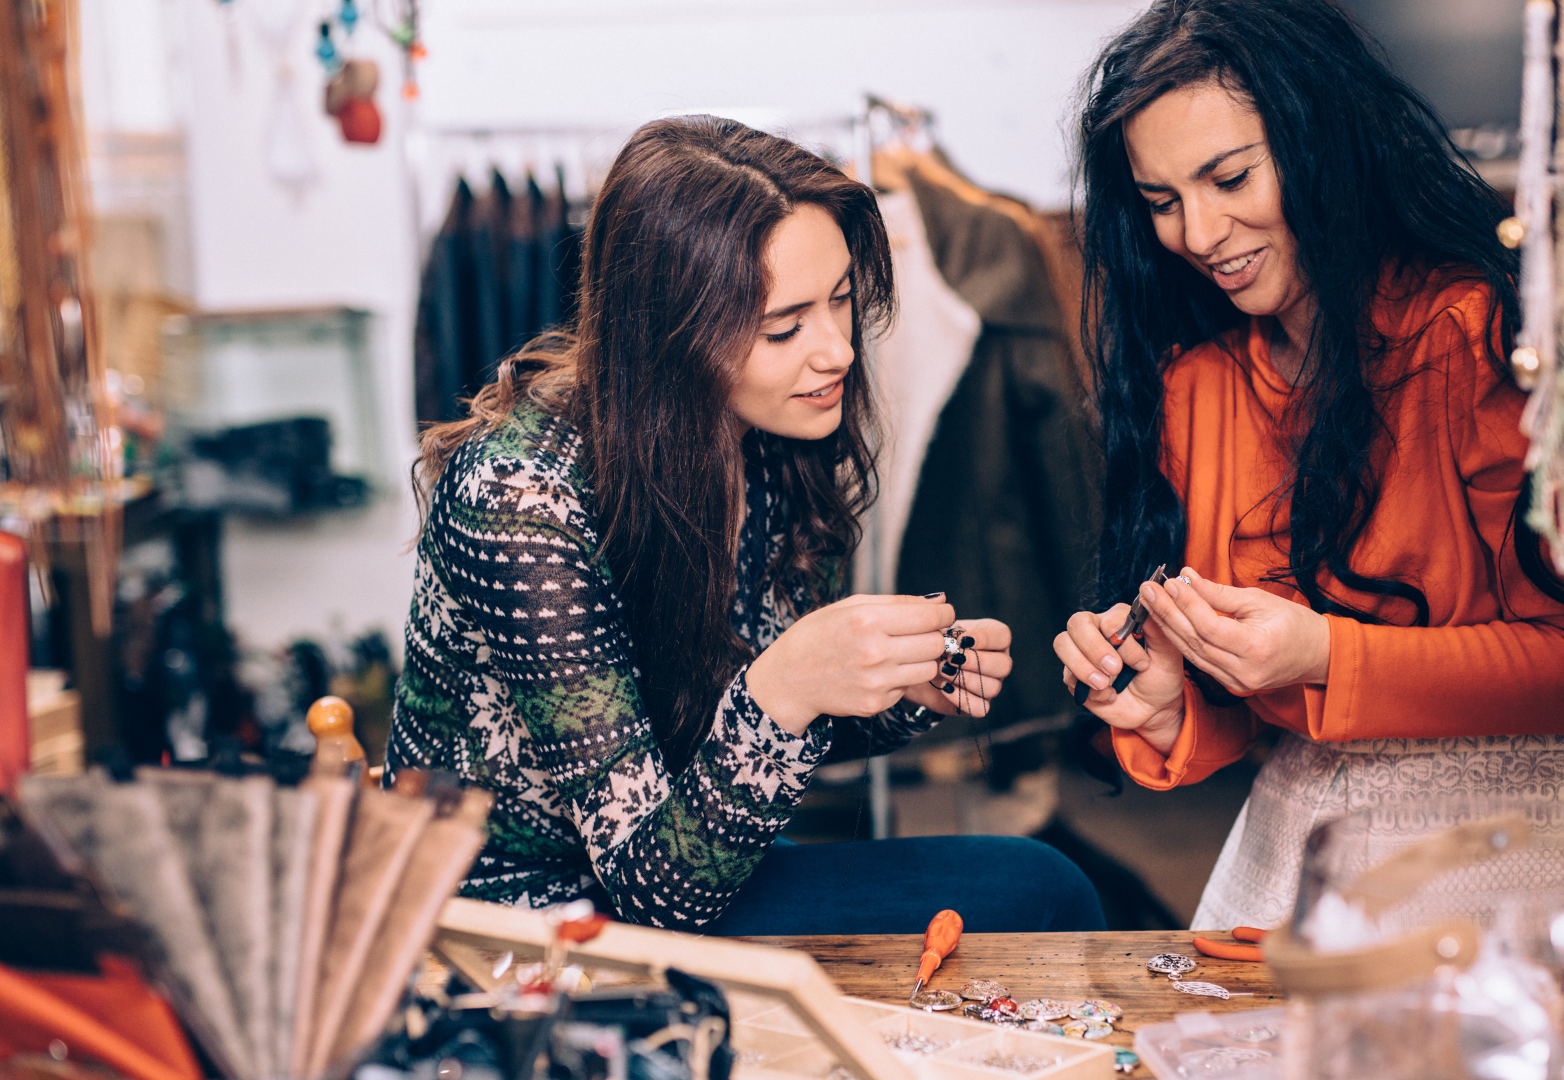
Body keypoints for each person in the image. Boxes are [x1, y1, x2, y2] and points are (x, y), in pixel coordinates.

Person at [393, 116, 1104, 935]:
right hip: (514, 914)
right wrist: (792, 680)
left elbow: (739, 740)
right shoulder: (520, 499)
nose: (837, 350)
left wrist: (895, 691)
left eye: (841, 301)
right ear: (672, 335)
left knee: (1041, 886)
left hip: (687, 862)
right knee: (1036, 889)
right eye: (785, 327)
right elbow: (654, 891)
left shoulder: (764, 435)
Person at [1055, 0, 1564, 931]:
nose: (1198, 234)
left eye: (1230, 178)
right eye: (1162, 202)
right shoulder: (1196, 389)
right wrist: (1168, 704)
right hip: (1308, 836)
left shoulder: (1477, 341)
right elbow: (1253, 719)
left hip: (1526, 848)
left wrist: (1326, 652)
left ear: (1323, 145)